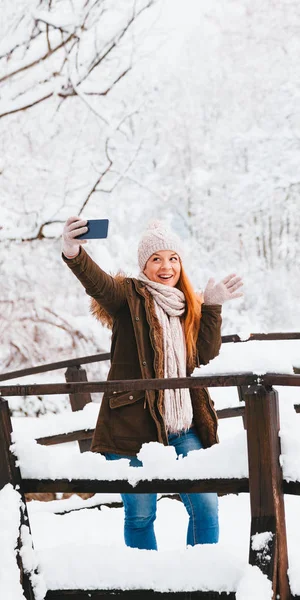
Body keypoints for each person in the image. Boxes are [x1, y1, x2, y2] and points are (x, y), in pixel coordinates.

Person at [61, 216, 243, 550]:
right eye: (156, 259)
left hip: (184, 425)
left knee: (206, 507)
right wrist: (74, 253)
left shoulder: (187, 304)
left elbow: (204, 356)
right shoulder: (127, 297)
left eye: (173, 258)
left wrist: (212, 307)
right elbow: (98, 284)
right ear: (144, 265)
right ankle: (146, 585)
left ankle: (200, 581)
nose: (166, 266)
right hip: (133, 427)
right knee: (141, 515)